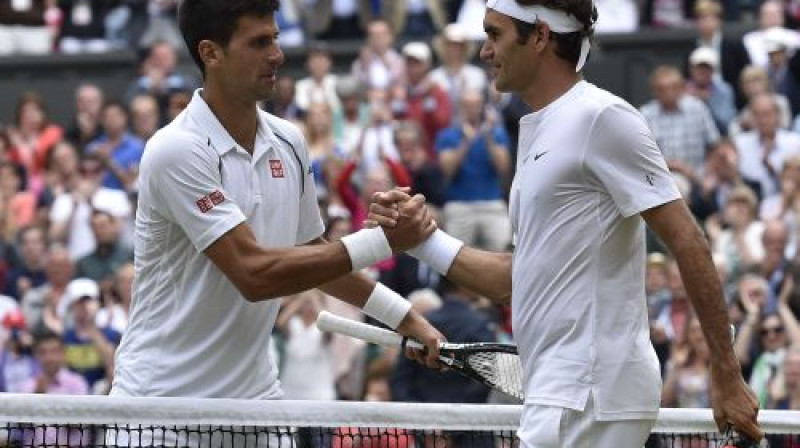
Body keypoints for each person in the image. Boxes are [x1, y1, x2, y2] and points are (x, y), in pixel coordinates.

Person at [367, 0, 762, 446]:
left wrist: (726, 371)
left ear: (539, 36)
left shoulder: (601, 117)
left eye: (495, 34)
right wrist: (422, 241)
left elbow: (687, 239)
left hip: (591, 391)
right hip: (567, 391)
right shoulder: (541, 129)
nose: (484, 51)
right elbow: (515, 279)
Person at [110, 0, 443, 406]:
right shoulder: (176, 149)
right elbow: (255, 274)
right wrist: (380, 243)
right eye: (259, 42)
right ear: (210, 53)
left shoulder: (289, 141)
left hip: (255, 399)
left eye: (276, 38)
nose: (277, 54)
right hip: (160, 406)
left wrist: (406, 318)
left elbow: (312, 258)